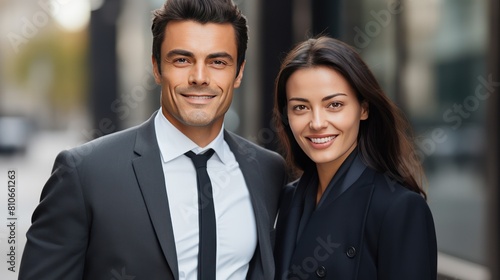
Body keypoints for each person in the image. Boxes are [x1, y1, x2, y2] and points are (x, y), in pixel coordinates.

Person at [19, 0, 287, 279]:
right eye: (182, 60)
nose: (199, 77)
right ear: (157, 68)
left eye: (217, 62)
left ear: (239, 72)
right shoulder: (85, 173)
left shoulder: (267, 170)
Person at [272, 36, 437, 279]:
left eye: (334, 105)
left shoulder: (400, 209)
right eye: (301, 107)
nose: (317, 123)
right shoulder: (288, 198)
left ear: (364, 108)